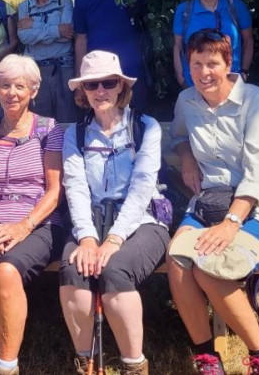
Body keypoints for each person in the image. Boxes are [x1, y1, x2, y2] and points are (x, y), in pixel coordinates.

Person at [167, 30, 259, 375]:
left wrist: (231, 223)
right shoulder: (186, 101)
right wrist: (187, 157)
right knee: (177, 260)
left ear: (228, 63)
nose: (204, 72)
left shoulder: (254, 99)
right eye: (196, 64)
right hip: (207, 203)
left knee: (209, 266)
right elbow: (178, 137)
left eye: (212, 63)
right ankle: (207, 356)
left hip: (256, 208)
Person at [60, 51, 169, 375]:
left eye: (109, 82)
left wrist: (114, 240)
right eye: (92, 84)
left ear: (121, 86)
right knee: (72, 268)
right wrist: (89, 238)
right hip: (92, 221)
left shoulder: (145, 127)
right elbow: (75, 189)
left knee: (115, 269)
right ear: (83, 91)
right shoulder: (75, 135)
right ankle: (86, 362)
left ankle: (134, 365)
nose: (101, 90)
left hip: (143, 221)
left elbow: (141, 189)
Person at [0, 55, 66, 375]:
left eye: (20, 86)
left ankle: (6, 365)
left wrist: (21, 228)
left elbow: (54, 191)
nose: (12, 93)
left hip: (39, 223)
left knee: (6, 271)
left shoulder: (49, 130)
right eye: (5, 85)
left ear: (33, 91)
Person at [73, 0, 149, 111]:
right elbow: (81, 39)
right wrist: (80, 77)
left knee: (138, 120)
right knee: (104, 121)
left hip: (131, 70)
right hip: (99, 76)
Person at [172, 0, 253, 87]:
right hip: (194, 84)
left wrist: (244, 71)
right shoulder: (184, 10)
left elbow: (248, 40)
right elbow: (178, 45)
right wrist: (181, 78)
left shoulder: (236, 7)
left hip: (231, 83)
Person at [16, 0, 77, 123]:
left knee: (67, 119)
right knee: (41, 121)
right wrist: (57, 30)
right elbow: (24, 37)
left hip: (63, 67)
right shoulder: (24, 6)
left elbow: (68, 33)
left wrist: (34, 25)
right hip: (36, 70)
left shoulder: (64, 1)